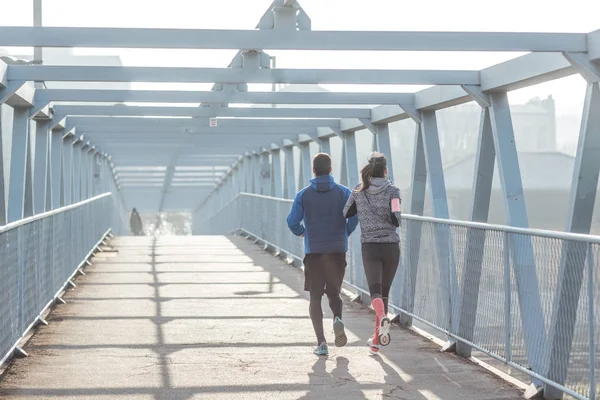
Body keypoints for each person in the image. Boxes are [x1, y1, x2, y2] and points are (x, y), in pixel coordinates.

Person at [287, 153, 359, 356]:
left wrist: (302, 232)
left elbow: (292, 221)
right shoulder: (344, 193)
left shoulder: (303, 195)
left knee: (315, 298)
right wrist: (345, 233)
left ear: (313, 170)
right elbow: (354, 218)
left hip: (314, 252)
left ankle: (321, 343)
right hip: (337, 250)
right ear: (330, 170)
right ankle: (337, 318)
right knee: (334, 293)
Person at [343, 152, 401, 355]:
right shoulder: (393, 191)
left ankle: (379, 329)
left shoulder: (359, 192)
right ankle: (376, 342)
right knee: (384, 294)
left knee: (375, 293)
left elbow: (346, 212)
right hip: (391, 247)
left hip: (370, 246)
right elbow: (396, 219)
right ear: (385, 171)